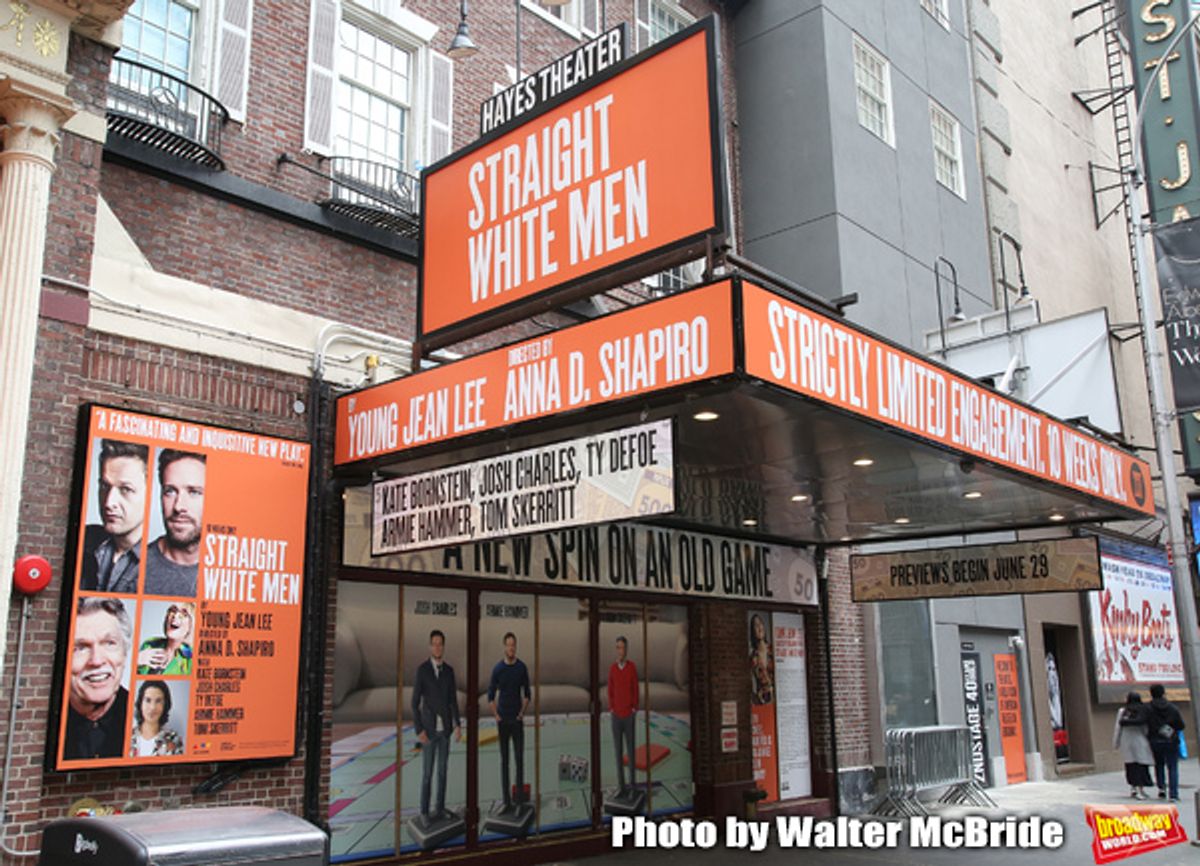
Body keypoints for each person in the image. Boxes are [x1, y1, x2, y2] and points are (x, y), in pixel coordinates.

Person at [63, 597, 132, 760]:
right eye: (80, 648)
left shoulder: (141, 715)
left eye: (109, 643)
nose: (96, 660)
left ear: (124, 652)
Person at [79, 439, 149, 594]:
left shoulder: (162, 564)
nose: (109, 502)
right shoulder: (83, 540)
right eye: (105, 486)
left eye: (126, 489)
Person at [411, 629, 461, 823]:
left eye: (440, 643)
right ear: (430, 646)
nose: (437, 647)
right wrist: (419, 730)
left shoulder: (449, 671)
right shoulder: (422, 670)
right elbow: (414, 703)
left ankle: (439, 808)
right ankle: (424, 811)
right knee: (427, 774)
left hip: (445, 731)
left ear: (443, 646)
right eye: (434, 643)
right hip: (429, 732)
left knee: (442, 772)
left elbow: (453, 701)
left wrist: (457, 724)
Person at [144, 449, 206, 597]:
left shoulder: (235, 572)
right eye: (170, 491)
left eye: (194, 492)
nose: (178, 506)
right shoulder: (133, 571)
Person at [488, 632, 531, 810]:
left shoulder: (522, 668)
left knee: (519, 759)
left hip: (516, 721)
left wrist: (522, 712)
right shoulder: (498, 669)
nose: (511, 648)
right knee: (504, 761)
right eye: (508, 645)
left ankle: (519, 801)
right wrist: (496, 715)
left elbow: (528, 694)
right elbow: (490, 696)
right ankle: (506, 802)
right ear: (504, 647)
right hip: (502, 722)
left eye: (513, 645)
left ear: (516, 647)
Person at [607, 636, 639, 797]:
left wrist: (634, 709)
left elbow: (636, 689)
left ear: (626, 650)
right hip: (616, 717)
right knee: (618, 752)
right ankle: (622, 787)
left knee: (631, 752)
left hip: (629, 716)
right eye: (618, 647)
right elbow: (610, 690)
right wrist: (612, 708)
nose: (620, 650)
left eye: (622, 648)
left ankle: (632, 786)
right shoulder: (612, 668)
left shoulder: (632, 667)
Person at [1147, 683, 1186, 801]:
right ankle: (1173, 794)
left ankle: (1161, 789)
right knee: (1172, 766)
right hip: (1171, 740)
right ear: (1163, 693)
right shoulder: (1172, 708)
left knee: (1159, 764)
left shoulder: (1148, 708)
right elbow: (1181, 725)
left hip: (1154, 740)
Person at [1112, 691, 1153, 799]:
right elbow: (1146, 728)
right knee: (1141, 765)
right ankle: (1140, 789)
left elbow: (1118, 728)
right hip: (1140, 740)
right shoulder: (1143, 710)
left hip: (1126, 742)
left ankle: (1133, 788)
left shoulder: (1123, 711)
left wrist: (1116, 743)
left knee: (1131, 766)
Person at [128, 680, 184, 757]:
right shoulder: (128, 736)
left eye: (158, 701)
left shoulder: (173, 739)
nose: (152, 707)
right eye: (148, 700)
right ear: (140, 703)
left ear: (165, 705)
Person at [137, 602, 195, 675]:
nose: (175, 616)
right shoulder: (149, 644)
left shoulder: (191, 658)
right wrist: (137, 660)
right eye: (173, 611)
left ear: (191, 625)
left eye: (184, 614)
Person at [749, 613, 775, 705]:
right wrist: (755, 699)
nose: (759, 628)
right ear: (753, 631)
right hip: (762, 702)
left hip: (777, 700)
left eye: (761, 624)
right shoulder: (753, 657)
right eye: (756, 626)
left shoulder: (773, 650)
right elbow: (749, 684)